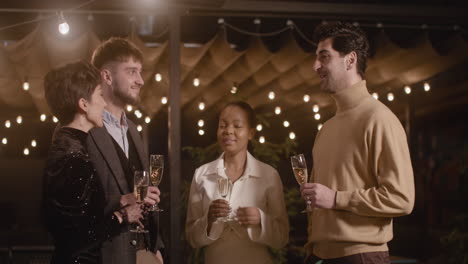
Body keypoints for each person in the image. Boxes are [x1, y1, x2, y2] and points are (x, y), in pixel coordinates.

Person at [300, 22, 415, 264]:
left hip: (361, 256)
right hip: (319, 254)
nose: (315, 66)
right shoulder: (327, 129)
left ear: (350, 60)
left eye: (324, 57)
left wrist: (335, 199)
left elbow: (402, 198)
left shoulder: (379, 118)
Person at [42, 61, 144, 264]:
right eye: (99, 95)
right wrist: (122, 216)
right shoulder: (74, 157)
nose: (104, 103)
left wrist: (119, 201)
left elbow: (76, 213)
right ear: (83, 104)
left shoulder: (66, 146)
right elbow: (81, 234)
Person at [88, 37, 164, 264]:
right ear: (107, 76)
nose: (140, 80)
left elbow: (142, 196)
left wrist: (155, 247)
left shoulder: (132, 128)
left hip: (143, 254)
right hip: (105, 256)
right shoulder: (82, 128)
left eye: (140, 72)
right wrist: (121, 202)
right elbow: (70, 206)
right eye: (131, 72)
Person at [186, 101, 289, 264]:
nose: (228, 131)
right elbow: (192, 238)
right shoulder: (202, 175)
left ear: (251, 133)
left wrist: (260, 219)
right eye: (222, 125)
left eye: (237, 126)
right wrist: (209, 218)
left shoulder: (268, 175)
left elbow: (282, 237)